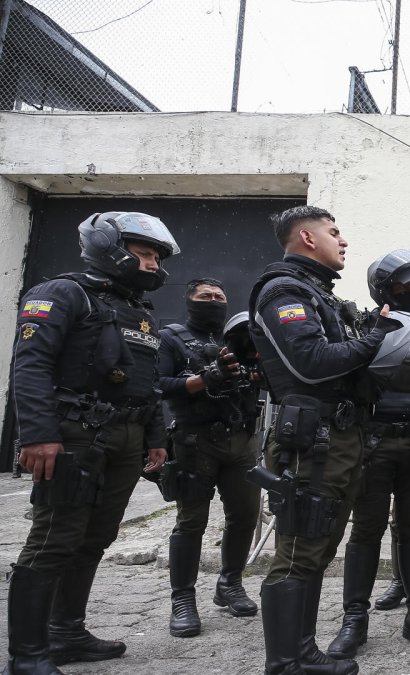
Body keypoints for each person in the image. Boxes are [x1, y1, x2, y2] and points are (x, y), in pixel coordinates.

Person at [5, 212, 178, 675]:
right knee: (55, 538)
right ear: (109, 247)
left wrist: (155, 439)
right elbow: (31, 364)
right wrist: (37, 434)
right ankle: (27, 654)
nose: (153, 264)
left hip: (127, 436)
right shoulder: (61, 293)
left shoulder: (138, 310)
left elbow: (148, 382)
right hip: (74, 435)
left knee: (96, 537)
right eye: (144, 254)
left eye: (157, 257)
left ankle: (66, 633)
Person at [248, 206, 405, 675]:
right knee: (298, 551)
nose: (344, 241)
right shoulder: (284, 290)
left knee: (317, 547)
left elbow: (347, 367)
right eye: (335, 232)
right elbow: (312, 361)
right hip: (311, 441)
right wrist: (376, 337)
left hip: (336, 439)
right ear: (306, 238)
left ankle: (304, 651)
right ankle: (284, 663)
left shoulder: (320, 295)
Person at [327, 249, 410, 658]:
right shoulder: (362, 327)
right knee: (366, 531)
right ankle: (354, 620)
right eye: (406, 286)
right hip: (374, 441)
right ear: (383, 288)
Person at [158, 278, 263, 638]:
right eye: (205, 296)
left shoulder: (239, 337)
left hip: (242, 441)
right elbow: (160, 385)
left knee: (246, 515)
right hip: (195, 442)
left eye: (219, 296)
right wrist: (207, 378)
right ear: (189, 300)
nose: (214, 301)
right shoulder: (171, 337)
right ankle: (183, 599)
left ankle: (230, 583)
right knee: (191, 522)